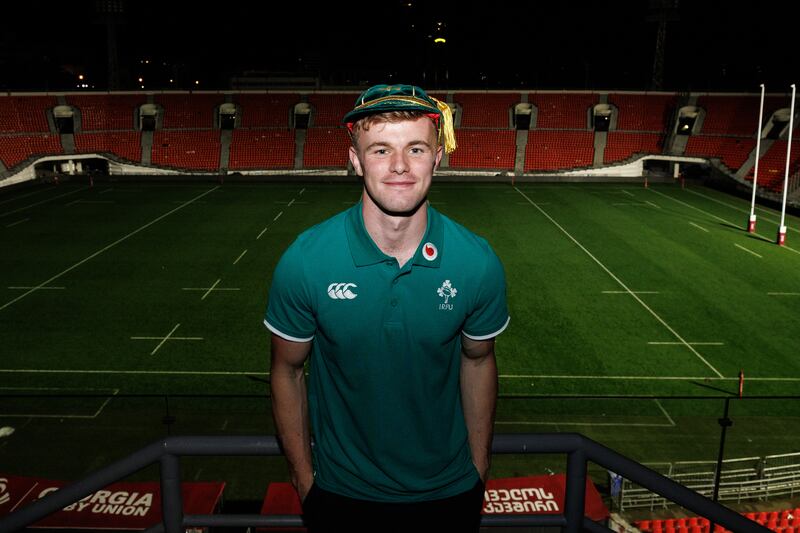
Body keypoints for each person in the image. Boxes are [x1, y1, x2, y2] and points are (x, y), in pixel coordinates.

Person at [264, 84, 510, 532]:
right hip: (340, 495)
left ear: (437, 158)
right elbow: (287, 370)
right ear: (356, 160)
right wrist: (305, 481)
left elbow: (478, 361)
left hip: (451, 494)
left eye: (416, 148)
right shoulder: (305, 261)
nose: (400, 165)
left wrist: (479, 469)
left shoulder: (477, 262)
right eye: (381, 150)